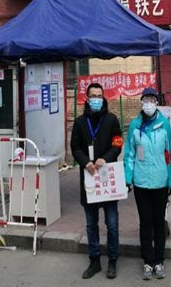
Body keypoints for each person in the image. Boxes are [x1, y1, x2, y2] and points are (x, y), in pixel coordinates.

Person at [70, 83, 123, 279]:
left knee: (112, 223)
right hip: (89, 178)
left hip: (108, 179)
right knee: (91, 224)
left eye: (99, 96)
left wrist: (106, 158)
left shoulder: (112, 119)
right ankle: (94, 260)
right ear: (87, 98)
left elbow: (118, 143)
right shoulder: (80, 122)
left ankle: (113, 259)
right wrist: (86, 162)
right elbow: (75, 147)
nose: (96, 99)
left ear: (104, 98)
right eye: (93, 96)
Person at [124, 87, 171, 280]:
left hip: (160, 182)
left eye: (152, 100)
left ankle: (159, 261)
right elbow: (129, 154)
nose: (149, 104)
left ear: (157, 103)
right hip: (141, 182)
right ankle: (147, 261)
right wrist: (127, 179)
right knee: (145, 223)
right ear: (141, 102)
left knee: (159, 223)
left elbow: (169, 154)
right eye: (145, 100)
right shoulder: (135, 126)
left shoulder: (164, 124)